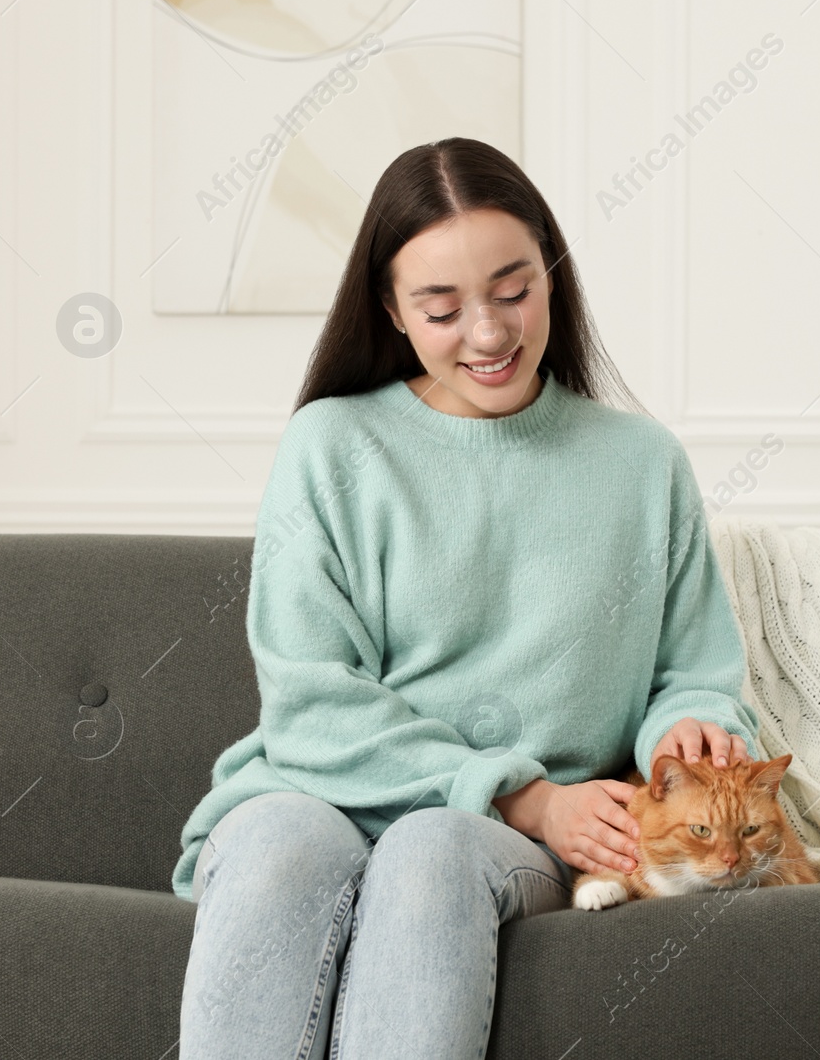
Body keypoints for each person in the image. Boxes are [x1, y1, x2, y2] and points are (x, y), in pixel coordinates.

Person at [172, 136, 763, 1058]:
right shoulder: (331, 447)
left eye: (514, 290)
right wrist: (521, 793)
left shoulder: (643, 465)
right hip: (320, 796)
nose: (489, 334)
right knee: (282, 844)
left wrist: (686, 730)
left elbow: (695, 673)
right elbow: (310, 703)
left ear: (553, 277)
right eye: (442, 308)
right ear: (392, 312)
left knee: (434, 847)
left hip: (495, 839)